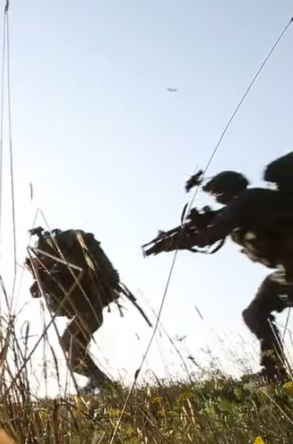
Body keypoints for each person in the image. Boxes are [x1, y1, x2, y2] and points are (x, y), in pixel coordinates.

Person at [143, 153, 293, 382]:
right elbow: (220, 221)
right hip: (287, 271)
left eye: (216, 194)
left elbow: (210, 236)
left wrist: (174, 242)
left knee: (256, 313)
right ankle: (274, 372)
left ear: (224, 191)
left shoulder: (246, 201)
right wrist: (202, 223)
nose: (215, 199)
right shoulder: (255, 200)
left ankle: (274, 373)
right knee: (256, 312)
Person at [26, 227, 126, 394]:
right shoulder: (61, 269)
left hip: (89, 312)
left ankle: (102, 382)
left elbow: (62, 282)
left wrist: (41, 275)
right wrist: (38, 276)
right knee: (75, 353)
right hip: (89, 313)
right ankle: (101, 383)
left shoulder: (64, 268)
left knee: (71, 349)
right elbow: (38, 290)